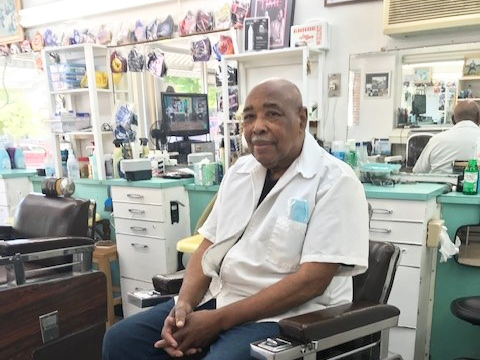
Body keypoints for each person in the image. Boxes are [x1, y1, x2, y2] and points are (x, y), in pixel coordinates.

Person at [102, 78, 369, 360]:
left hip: (289, 318)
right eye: (249, 117)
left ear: (301, 119)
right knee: (121, 340)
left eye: (272, 114)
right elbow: (208, 246)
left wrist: (218, 321)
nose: (258, 127)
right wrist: (183, 306)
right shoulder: (240, 172)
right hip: (220, 300)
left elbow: (311, 282)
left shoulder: (335, 181)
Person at [413, 100, 480, 174]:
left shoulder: (436, 140)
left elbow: (418, 172)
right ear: (479, 118)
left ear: (453, 119)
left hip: (439, 184)